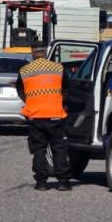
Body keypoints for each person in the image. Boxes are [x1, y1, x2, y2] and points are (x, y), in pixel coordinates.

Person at [15, 45, 72, 191]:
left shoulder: (24, 70)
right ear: (46, 53)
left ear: (32, 53)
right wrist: (61, 102)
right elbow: (67, 88)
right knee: (59, 149)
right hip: (56, 115)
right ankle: (63, 182)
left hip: (35, 116)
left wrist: (29, 101)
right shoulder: (58, 68)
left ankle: (41, 182)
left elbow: (20, 89)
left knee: (39, 149)